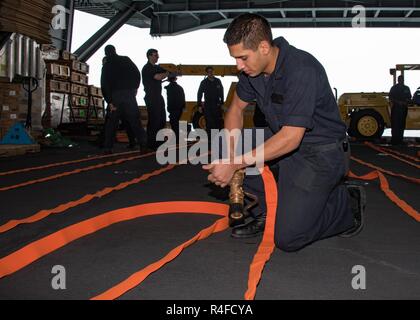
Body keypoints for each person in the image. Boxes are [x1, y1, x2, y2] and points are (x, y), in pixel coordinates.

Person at [202, 13, 366, 252]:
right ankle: (266, 212)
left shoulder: (302, 69)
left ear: (264, 47)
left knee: (289, 239)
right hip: (285, 143)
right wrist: (229, 157)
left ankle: (345, 205)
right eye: (235, 58)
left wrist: (236, 164)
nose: (239, 65)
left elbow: (291, 138)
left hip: (320, 153)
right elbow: (235, 109)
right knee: (226, 144)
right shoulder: (252, 72)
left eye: (243, 58)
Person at [101, 45, 146, 154]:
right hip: (129, 95)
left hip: (115, 96)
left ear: (106, 53)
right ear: (115, 50)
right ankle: (144, 145)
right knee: (135, 122)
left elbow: (104, 84)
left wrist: (109, 101)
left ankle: (108, 148)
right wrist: (135, 88)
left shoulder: (106, 66)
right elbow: (136, 73)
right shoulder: (126, 59)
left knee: (112, 124)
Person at [142, 49, 169, 150]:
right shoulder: (147, 68)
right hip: (151, 97)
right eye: (155, 55)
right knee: (154, 120)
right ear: (149, 56)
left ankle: (159, 142)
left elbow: (166, 72)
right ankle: (152, 144)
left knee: (161, 119)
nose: (157, 57)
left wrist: (170, 73)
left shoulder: (157, 67)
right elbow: (158, 77)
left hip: (158, 96)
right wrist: (166, 74)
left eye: (157, 55)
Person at [197, 66, 224, 135]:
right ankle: (210, 140)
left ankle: (218, 138)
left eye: (212, 71)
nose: (211, 73)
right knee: (209, 122)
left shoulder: (218, 81)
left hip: (217, 105)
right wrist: (199, 105)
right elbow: (199, 94)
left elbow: (221, 92)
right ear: (207, 73)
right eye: (209, 72)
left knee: (218, 122)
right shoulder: (203, 82)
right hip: (208, 106)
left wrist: (222, 103)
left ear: (213, 72)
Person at [389, 75, 411, 145]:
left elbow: (409, 97)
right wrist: (398, 102)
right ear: (398, 80)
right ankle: (394, 140)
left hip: (404, 108)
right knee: (395, 124)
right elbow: (391, 98)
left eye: (402, 79)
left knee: (402, 124)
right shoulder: (394, 88)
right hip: (396, 108)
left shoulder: (406, 88)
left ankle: (400, 140)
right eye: (400, 79)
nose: (401, 80)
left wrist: (406, 101)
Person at [164, 75, 186, 142]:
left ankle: (176, 139)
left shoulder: (169, 88)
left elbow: (170, 99)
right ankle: (177, 138)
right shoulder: (180, 88)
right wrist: (183, 107)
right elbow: (183, 98)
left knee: (174, 123)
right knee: (176, 123)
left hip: (173, 108)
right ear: (175, 79)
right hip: (179, 109)